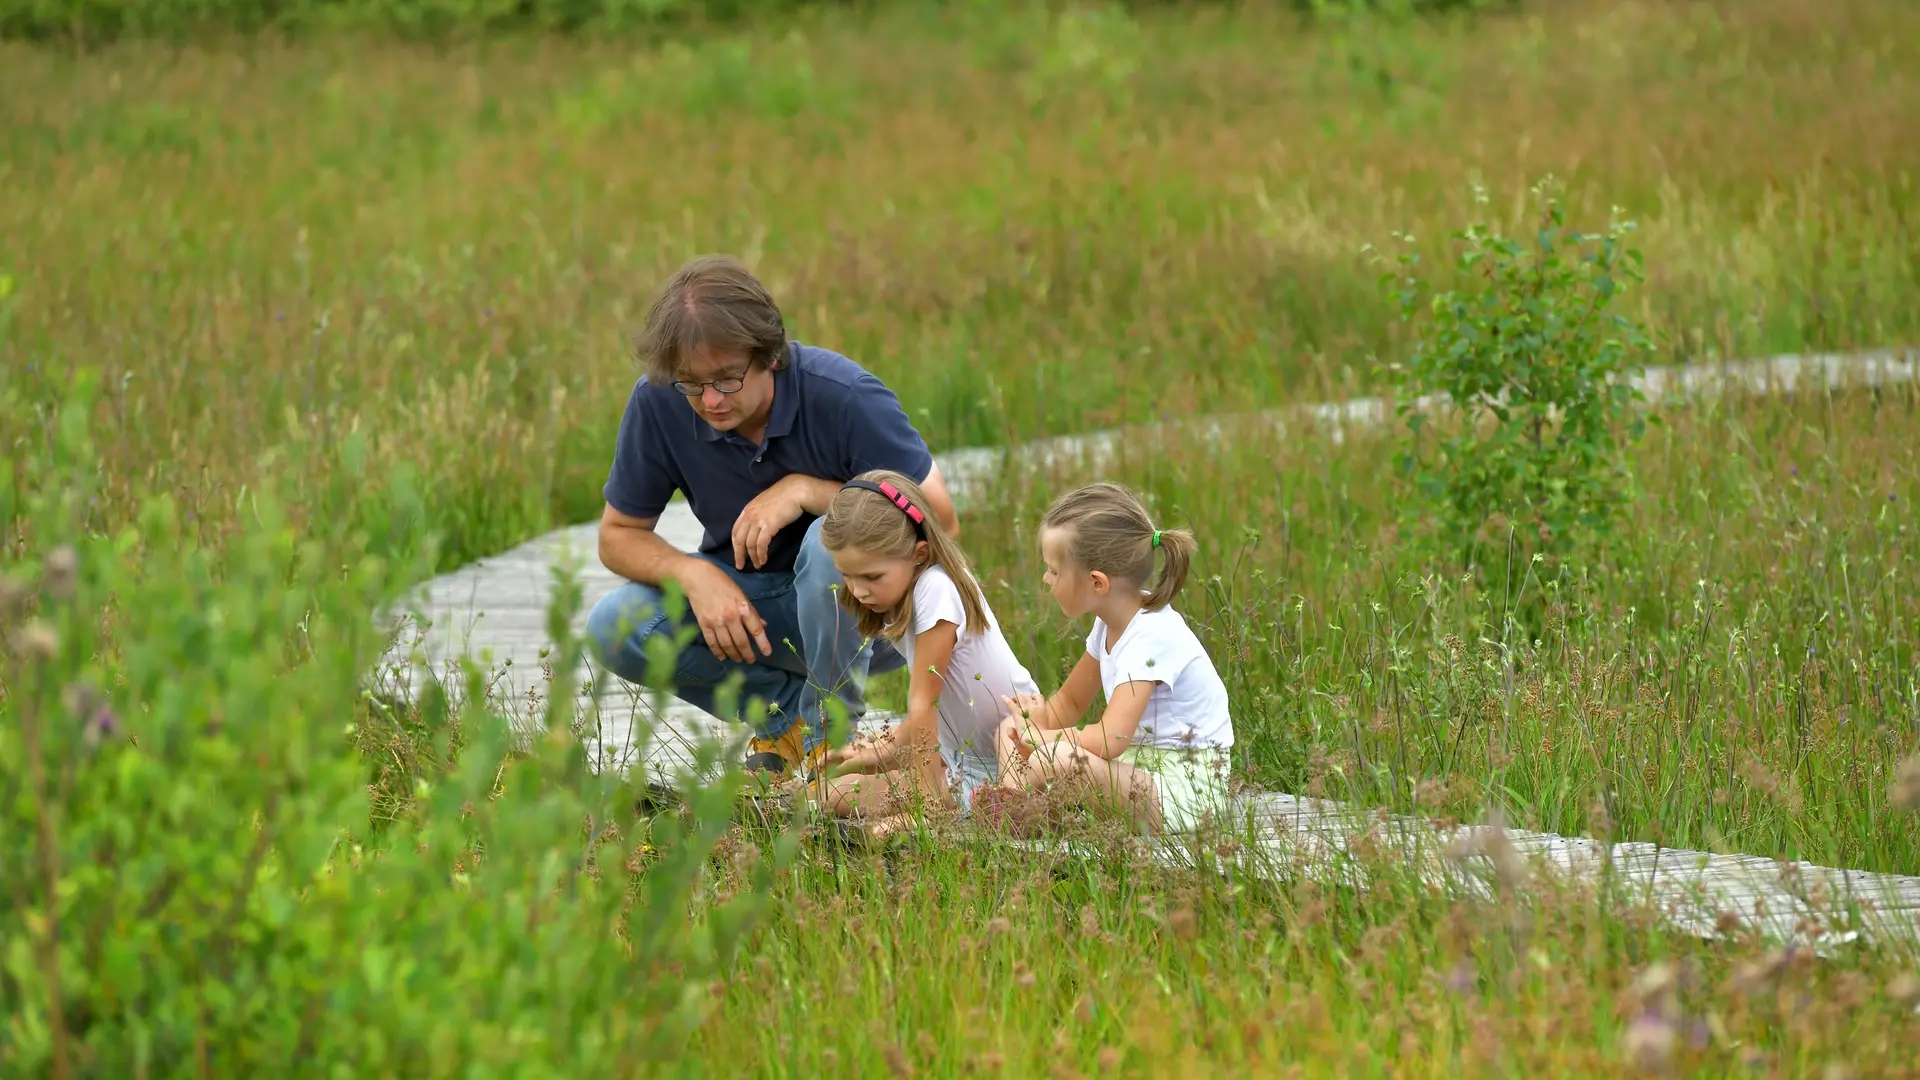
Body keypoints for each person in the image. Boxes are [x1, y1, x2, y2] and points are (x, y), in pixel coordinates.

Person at [584, 255, 959, 784]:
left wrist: (807, 491)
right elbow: (617, 535)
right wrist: (694, 574)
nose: (709, 400)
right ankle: (785, 722)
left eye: (727, 379)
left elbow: (941, 520)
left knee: (828, 543)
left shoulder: (845, 396)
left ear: (771, 356)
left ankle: (832, 743)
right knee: (614, 626)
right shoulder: (659, 401)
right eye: (691, 383)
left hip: (870, 617)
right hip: (756, 604)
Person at [795, 469, 1040, 838]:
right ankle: (951, 796)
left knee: (856, 805)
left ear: (918, 554)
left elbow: (924, 703)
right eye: (847, 575)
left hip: (1013, 759)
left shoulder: (936, 589)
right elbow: (942, 710)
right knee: (827, 795)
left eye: (872, 577)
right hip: (960, 762)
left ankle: (951, 804)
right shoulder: (903, 593)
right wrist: (880, 748)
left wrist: (922, 809)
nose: (859, 590)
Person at [981, 482, 1235, 835]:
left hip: (1182, 790)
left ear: (1097, 583)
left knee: (1059, 758)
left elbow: (1111, 739)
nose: (1046, 578)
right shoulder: (1109, 623)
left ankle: (1017, 810)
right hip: (1136, 770)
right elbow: (1070, 701)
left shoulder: (1150, 636)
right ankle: (1017, 807)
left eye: (1054, 570)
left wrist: (1043, 739)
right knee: (1008, 731)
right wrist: (1033, 722)